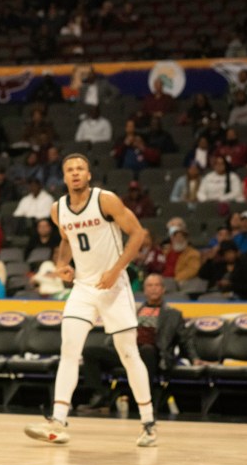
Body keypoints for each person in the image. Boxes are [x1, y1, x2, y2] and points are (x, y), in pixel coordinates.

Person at [23, 153, 157, 447]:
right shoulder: (58, 209)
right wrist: (62, 265)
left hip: (114, 287)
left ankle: (148, 423)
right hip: (83, 288)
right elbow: (66, 239)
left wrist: (116, 270)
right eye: (69, 169)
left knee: (128, 354)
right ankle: (58, 422)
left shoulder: (105, 200)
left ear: (89, 174)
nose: (74, 173)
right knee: (69, 350)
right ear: (64, 175)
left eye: (80, 168)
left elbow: (137, 234)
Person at [78, 273, 200, 411]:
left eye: (157, 285)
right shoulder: (133, 311)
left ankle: (144, 400)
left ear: (163, 289)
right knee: (90, 352)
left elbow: (185, 339)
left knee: (146, 350)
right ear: (145, 290)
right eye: (149, 285)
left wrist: (194, 358)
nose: (153, 288)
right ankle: (101, 396)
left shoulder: (173, 314)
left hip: (155, 354)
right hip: (128, 351)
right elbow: (117, 331)